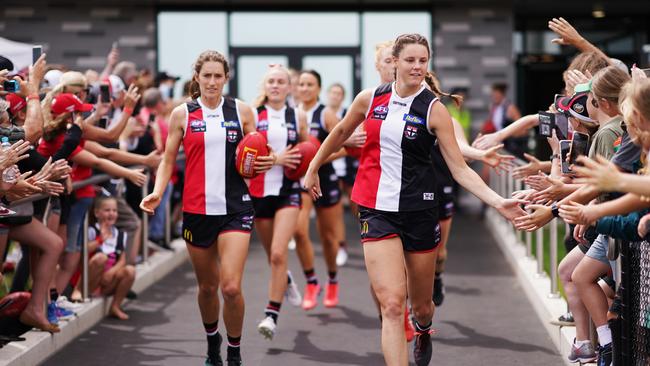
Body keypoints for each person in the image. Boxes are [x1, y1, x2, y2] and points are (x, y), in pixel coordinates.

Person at [304, 33, 525, 366]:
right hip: (376, 210)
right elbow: (339, 133)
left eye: (423, 61)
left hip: (420, 211)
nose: (418, 67)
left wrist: (497, 202)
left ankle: (423, 328)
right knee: (393, 305)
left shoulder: (434, 110)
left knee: (421, 305)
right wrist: (313, 167)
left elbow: (459, 169)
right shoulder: (370, 99)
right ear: (394, 62)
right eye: (410, 60)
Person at [141, 50, 274, 366]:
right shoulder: (181, 115)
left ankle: (234, 352)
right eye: (207, 76)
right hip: (197, 210)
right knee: (207, 287)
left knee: (230, 287)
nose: (213, 81)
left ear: (226, 77)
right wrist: (158, 192)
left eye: (218, 76)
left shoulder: (242, 111)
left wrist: (267, 162)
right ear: (196, 78)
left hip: (236, 209)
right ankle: (213, 341)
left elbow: (256, 156)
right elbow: (168, 160)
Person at [250, 64, 307, 340]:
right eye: (271, 81)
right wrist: (276, 159)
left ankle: (271, 316)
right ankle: (286, 279)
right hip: (259, 194)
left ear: (288, 87)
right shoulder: (252, 114)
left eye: (280, 81)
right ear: (265, 85)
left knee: (277, 254)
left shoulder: (298, 116)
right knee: (273, 256)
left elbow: (309, 152)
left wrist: (313, 174)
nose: (275, 85)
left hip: (288, 192)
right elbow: (243, 157)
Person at [294, 70, 347, 310]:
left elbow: (346, 146)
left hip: (324, 179)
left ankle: (333, 280)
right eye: (302, 84)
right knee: (299, 230)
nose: (305, 88)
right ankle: (312, 282)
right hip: (300, 181)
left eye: (310, 84)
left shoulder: (325, 114)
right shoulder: (292, 112)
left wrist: (316, 162)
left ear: (318, 88)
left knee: (328, 238)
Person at [86, 196, 134, 320]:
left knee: (130, 270)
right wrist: (100, 239)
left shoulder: (120, 234)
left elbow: (122, 259)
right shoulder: (92, 230)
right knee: (100, 258)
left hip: (108, 281)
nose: (112, 213)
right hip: (92, 280)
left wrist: (111, 272)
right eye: (107, 210)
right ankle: (86, 293)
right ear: (97, 213)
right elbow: (84, 251)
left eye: (115, 210)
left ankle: (115, 306)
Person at [326, 82, 356, 267]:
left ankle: (371, 234)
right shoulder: (324, 115)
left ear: (343, 97)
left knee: (357, 207)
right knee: (336, 212)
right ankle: (341, 246)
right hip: (331, 169)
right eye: (333, 93)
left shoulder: (349, 114)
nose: (336, 96)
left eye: (339, 93)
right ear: (328, 95)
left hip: (349, 167)